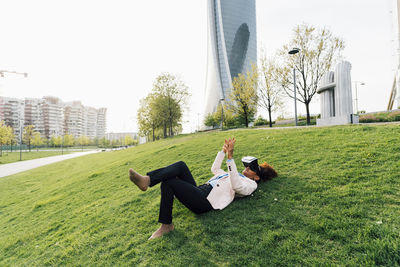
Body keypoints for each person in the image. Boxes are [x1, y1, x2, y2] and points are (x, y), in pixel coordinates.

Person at [128, 138, 277, 240]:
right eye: (246, 166)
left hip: (206, 201)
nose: (246, 169)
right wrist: (223, 152)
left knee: (169, 183)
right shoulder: (233, 174)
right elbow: (215, 169)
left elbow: (237, 186)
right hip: (200, 190)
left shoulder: (251, 185)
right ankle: (147, 180)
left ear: (256, 177)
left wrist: (230, 159)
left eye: (250, 169)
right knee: (180, 165)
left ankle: (167, 225)